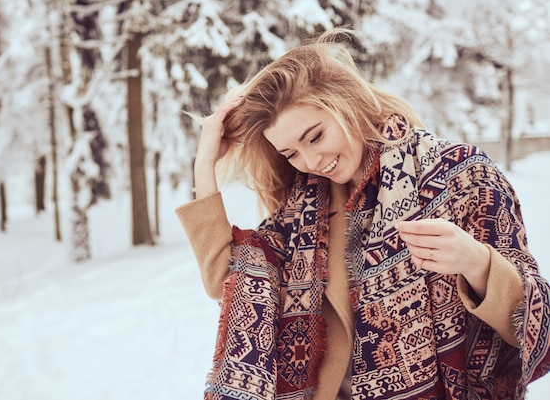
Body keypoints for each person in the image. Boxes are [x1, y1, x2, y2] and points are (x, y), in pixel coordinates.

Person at [176, 27, 550, 400]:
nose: (311, 162)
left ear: (345, 102)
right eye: (291, 153)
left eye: (315, 136)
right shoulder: (302, 217)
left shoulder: (460, 174)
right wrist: (204, 165)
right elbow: (229, 282)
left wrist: (477, 263)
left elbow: (537, 325)